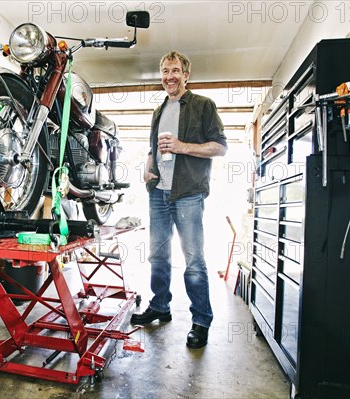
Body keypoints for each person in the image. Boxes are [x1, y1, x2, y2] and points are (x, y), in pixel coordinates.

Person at [130, 51, 227, 349]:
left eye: (175, 70)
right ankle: (160, 306)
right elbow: (154, 148)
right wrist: (148, 165)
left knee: (194, 261)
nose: (169, 76)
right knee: (158, 256)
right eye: (164, 71)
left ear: (186, 74)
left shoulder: (203, 106)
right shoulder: (158, 112)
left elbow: (220, 147)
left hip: (188, 194)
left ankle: (201, 320)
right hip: (159, 193)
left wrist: (182, 146)